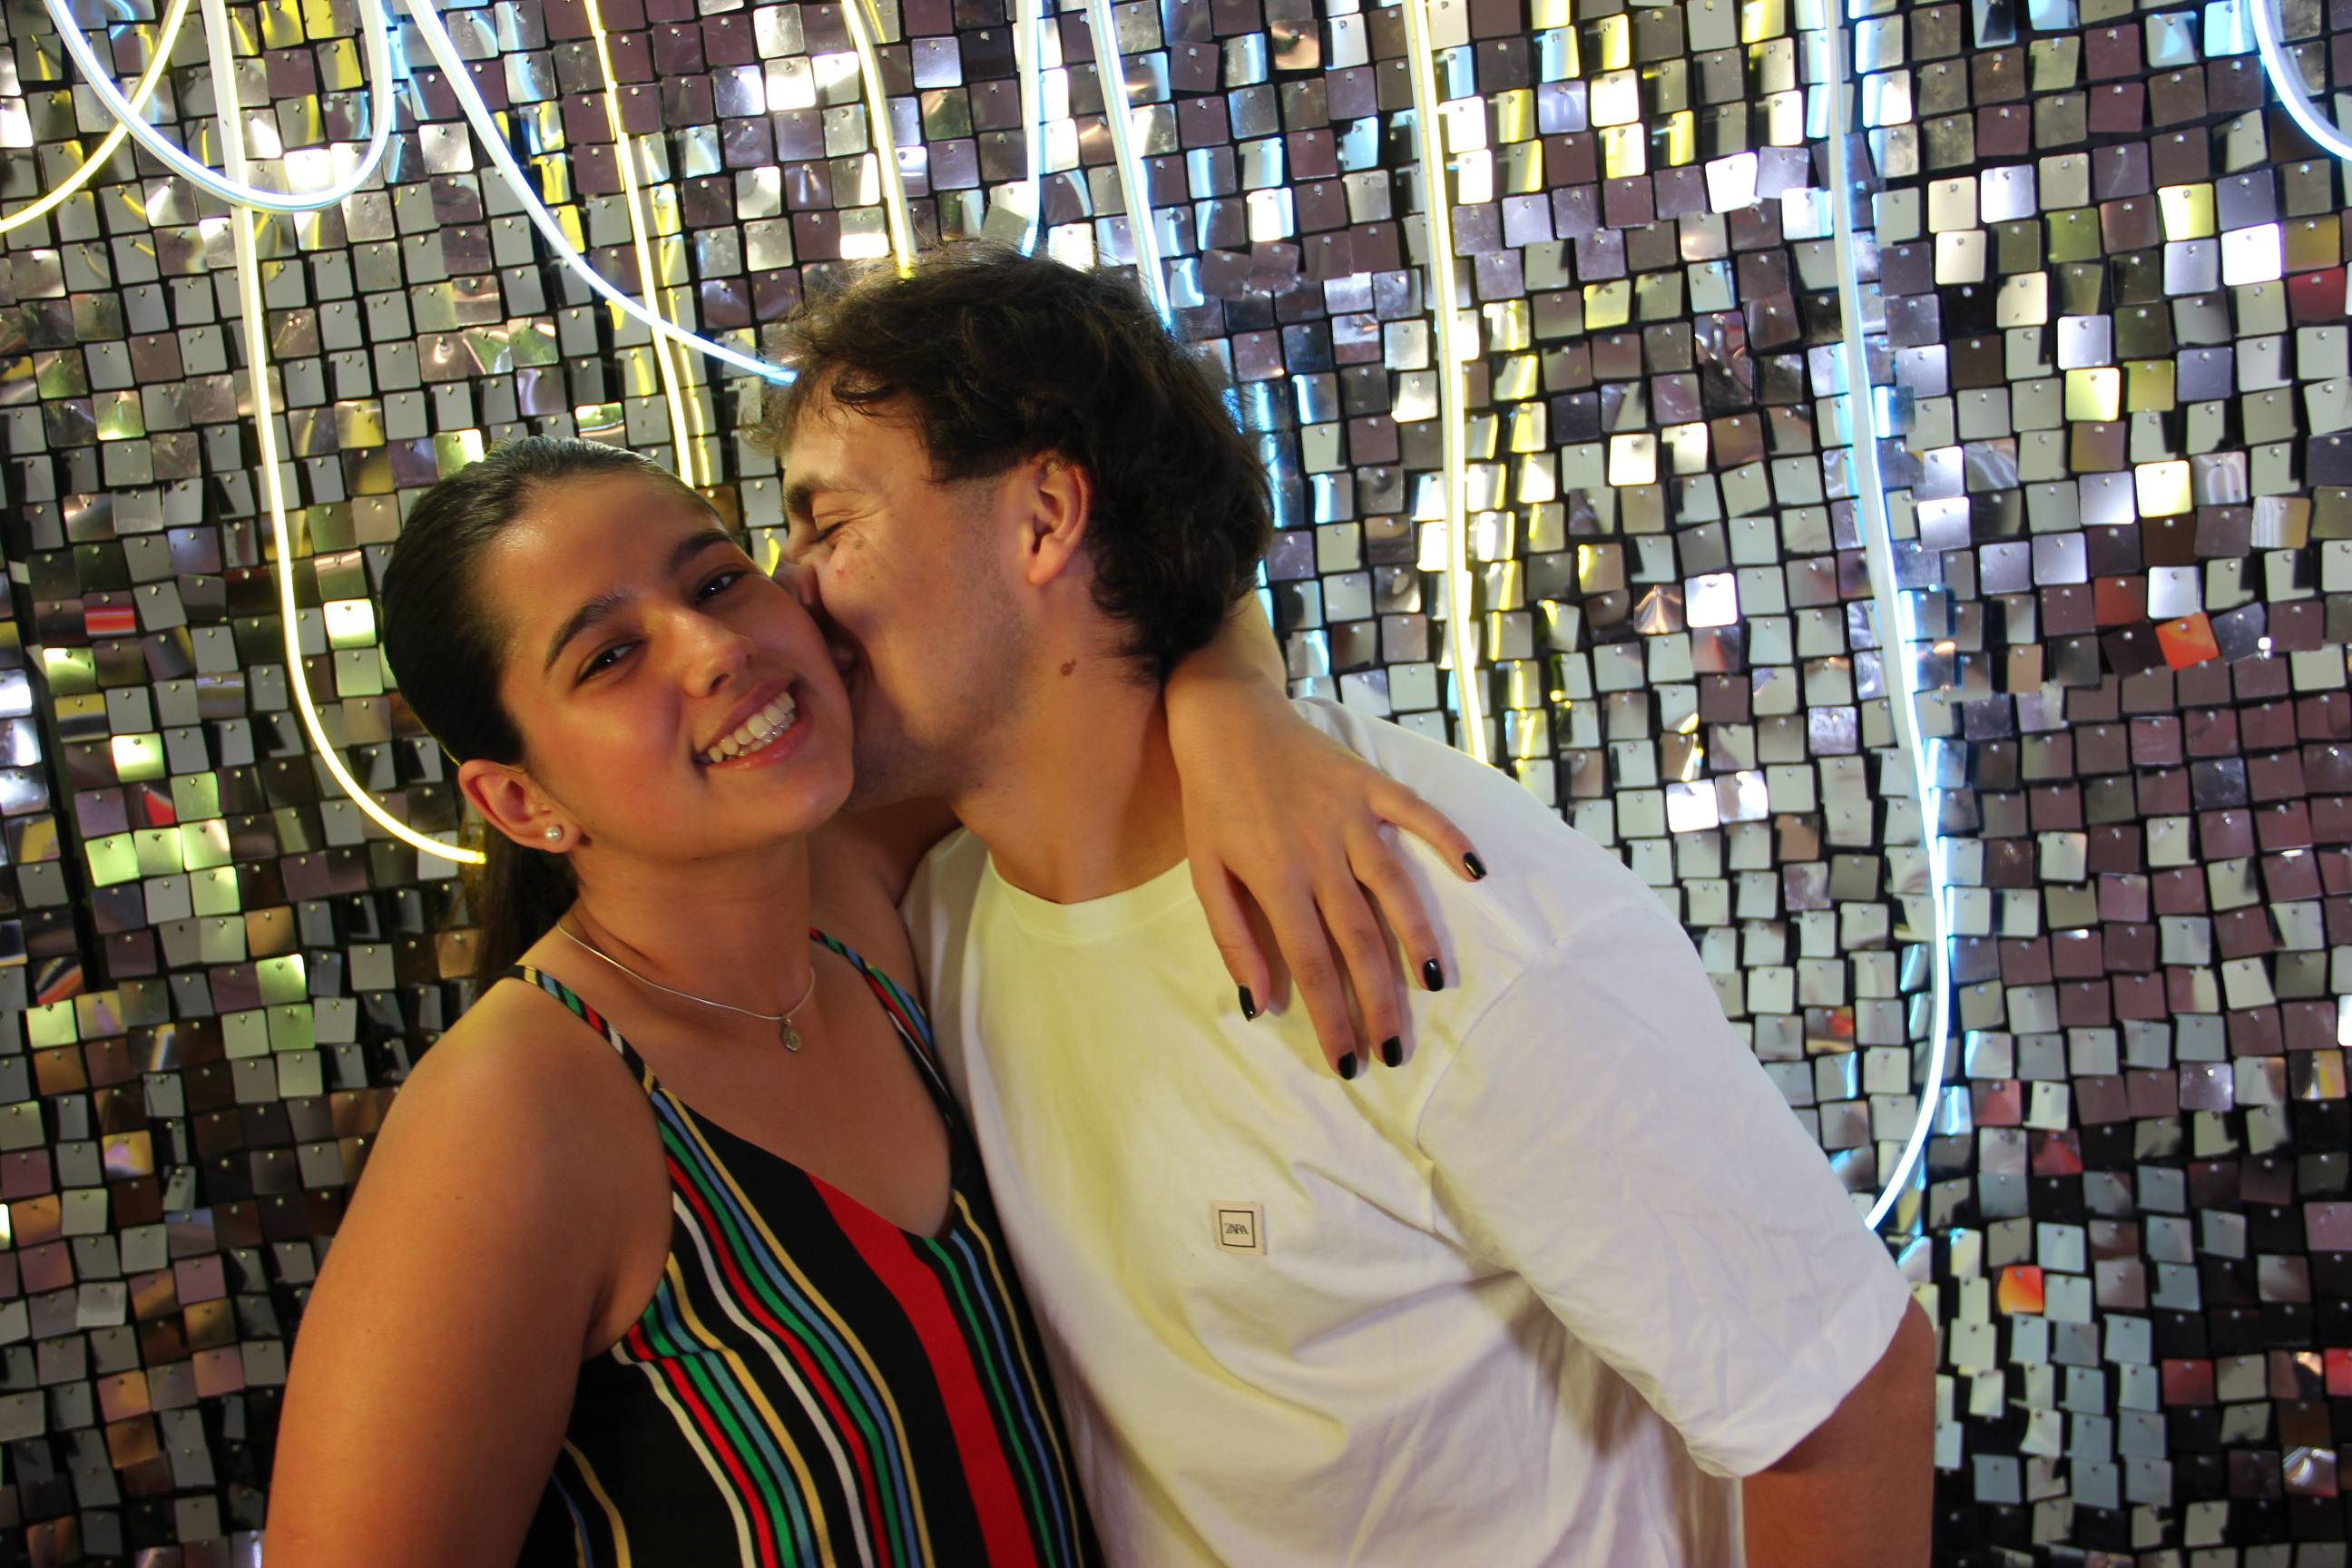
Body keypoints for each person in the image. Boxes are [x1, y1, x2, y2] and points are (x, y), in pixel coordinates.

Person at [763, 245, 1940, 1566]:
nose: (782, 594)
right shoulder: (933, 911)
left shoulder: (1436, 911)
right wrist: (1230, 685)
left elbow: (1843, 1401)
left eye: (829, 525)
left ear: (1044, 517)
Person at [262, 437, 1468, 1566]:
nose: (713, 647)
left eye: (718, 580)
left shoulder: (858, 897)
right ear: (522, 804)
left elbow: (1116, 616)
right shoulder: (515, 1116)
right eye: (610, 657)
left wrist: (1233, 714)